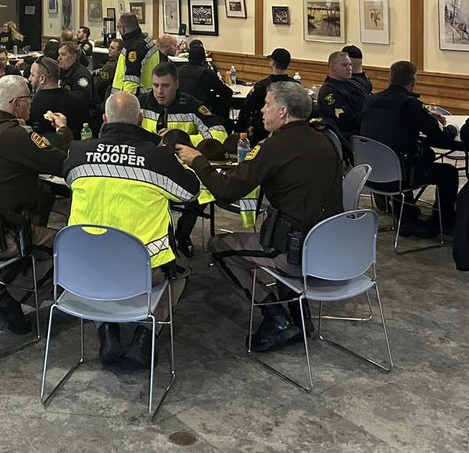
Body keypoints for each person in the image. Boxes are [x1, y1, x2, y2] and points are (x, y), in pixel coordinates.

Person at [176, 81, 343, 352]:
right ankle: (299, 315)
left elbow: (227, 190)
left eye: (267, 105)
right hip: (334, 249)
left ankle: (275, 317)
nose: (262, 110)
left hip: (294, 251)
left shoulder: (275, 147)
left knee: (218, 247)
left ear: (284, 112)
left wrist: (197, 160)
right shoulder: (326, 140)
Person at [64, 92, 200, 365]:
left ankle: (107, 330)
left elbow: (69, 182)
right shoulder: (158, 158)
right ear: (140, 120)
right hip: (143, 272)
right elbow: (190, 193)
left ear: (104, 119)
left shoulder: (78, 152)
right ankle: (145, 335)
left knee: (98, 265)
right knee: (181, 271)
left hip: (81, 270)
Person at [0, 74, 72, 334]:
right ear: (17, 103)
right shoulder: (16, 136)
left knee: (39, 206)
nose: (31, 103)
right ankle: (9, 298)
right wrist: (63, 131)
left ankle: (8, 287)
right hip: (0, 235)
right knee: (68, 245)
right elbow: (60, 161)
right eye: (28, 98)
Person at [359, 60, 459, 237]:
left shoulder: (371, 99)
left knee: (400, 156)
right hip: (399, 174)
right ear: (413, 81)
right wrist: (451, 129)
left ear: (390, 78)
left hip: (370, 172)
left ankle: (406, 214)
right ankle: (443, 221)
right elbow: (438, 137)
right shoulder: (410, 104)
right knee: (448, 173)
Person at [139, 61, 229, 255]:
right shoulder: (141, 103)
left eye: (165, 86)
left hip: (182, 167)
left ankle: (183, 234)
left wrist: (182, 138)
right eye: (155, 86)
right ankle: (160, 237)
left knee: (200, 192)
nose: (159, 91)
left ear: (176, 84)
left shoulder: (192, 105)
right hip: (149, 166)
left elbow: (220, 134)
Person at [238, 48, 298, 145]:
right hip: (290, 132)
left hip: (262, 132)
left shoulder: (261, 86)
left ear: (272, 62)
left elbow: (247, 106)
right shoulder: (295, 86)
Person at [30, 57, 90, 139]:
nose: (29, 79)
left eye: (33, 75)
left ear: (42, 79)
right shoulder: (77, 102)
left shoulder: (32, 105)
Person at [314, 50, 364, 145]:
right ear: (332, 68)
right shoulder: (329, 92)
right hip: (351, 137)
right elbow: (345, 120)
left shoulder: (354, 84)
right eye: (344, 65)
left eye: (350, 65)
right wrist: (368, 118)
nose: (349, 68)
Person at [176, 40, 234, 119]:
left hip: (179, 109)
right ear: (204, 59)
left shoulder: (178, 70)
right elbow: (225, 91)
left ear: (188, 58)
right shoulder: (206, 73)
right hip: (201, 111)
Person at [112, 13, 163, 95]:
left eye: (118, 27)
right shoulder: (148, 41)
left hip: (134, 97)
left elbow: (131, 78)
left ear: (123, 28)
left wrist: (126, 101)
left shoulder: (133, 47)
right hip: (149, 94)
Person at [57, 40, 94, 112]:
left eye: (63, 54)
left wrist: (59, 92)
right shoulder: (63, 71)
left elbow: (82, 100)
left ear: (74, 56)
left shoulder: (81, 75)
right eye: (59, 54)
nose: (59, 58)